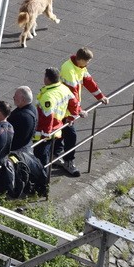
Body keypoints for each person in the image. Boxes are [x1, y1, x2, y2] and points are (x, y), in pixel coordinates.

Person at [56, 47, 108, 177]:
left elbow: (88, 81)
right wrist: (78, 111)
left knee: (61, 132)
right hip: (65, 108)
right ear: (80, 60)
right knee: (71, 135)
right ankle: (68, 161)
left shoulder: (79, 67)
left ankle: (55, 153)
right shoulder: (69, 70)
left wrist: (100, 96)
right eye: (87, 61)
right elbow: (72, 93)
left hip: (67, 107)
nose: (88, 64)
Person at [32, 67, 83, 172]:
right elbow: (74, 103)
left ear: (47, 79)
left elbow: (48, 117)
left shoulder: (48, 96)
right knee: (46, 155)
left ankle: (42, 181)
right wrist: (71, 118)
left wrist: (45, 135)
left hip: (44, 133)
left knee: (41, 158)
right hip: (57, 128)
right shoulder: (64, 88)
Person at [8, 86, 37, 152]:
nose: (13, 97)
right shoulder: (33, 109)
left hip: (15, 149)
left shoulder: (21, 116)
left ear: (23, 100)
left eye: (16, 95)